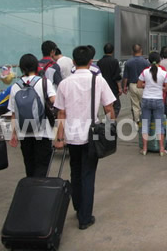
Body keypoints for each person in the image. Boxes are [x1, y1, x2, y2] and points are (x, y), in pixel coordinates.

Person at [54, 46, 116, 230]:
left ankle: (78, 207)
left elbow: (61, 113)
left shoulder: (65, 83)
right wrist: (111, 128)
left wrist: (59, 137)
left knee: (75, 171)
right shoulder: (98, 80)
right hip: (92, 135)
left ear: (73, 62)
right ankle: (85, 217)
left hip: (72, 135)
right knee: (88, 174)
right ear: (91, 62)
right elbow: (109, 108)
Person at [8, 54, 56, 177]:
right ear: (36, 66)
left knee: (29, 167)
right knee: (42, 167)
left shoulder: (15, 87)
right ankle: (39, 193)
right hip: (43, 132)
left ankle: (30, 192)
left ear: (22, 68)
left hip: (24, 132)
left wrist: (13, 133)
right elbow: (54, 101)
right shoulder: (44, 82)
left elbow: (13, 113)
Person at [138, 52, 167, 156]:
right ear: (160, 60)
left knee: (145, 124)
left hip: (146, 99)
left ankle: (144, 149)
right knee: (159, 125)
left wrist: (147, 85)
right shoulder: (163, 73)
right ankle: (161, 149)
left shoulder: (145, 72)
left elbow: (139, 85)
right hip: (158, 100)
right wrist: (161, 87)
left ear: (149, 61)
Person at [122, 44, 150, 124]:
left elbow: (126, 77)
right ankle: (145, 120)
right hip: (143, 86)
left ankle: (137, 121)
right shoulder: (146, 62)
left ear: (132, 52)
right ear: (141, 50)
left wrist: (124, 86)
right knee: (144, 105)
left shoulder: (128, 62)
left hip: (132, 85)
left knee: (135, 105)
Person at [97, 43, 122, 118]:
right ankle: (111, 122)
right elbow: (117, 76)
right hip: (113, 87)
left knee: (106, 106)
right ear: (113, 51)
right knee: (117, 106)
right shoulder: (114, 61)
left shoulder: (99, 62)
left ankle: (108, 123)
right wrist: (119, 88)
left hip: (103, 88)